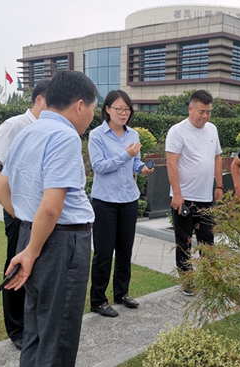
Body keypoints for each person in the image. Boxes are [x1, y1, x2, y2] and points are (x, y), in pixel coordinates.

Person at [0, 70, 97, 366]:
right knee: (59, 334)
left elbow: (1, 191)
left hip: (32, 235)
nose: (91, 117)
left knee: (37, 328)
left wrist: (30, 228)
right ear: (79, 105)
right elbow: (51, 207)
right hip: (60, 243)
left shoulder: (27, 131)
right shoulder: (65, 136)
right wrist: (35, 247)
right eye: (92, 108)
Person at [0, 79, 49, 350]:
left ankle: (33, 322)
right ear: (41, 99)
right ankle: (16, 329)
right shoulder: (16, 125)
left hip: (40, 212)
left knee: (38, 264)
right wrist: (11, 205)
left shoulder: (47, 128)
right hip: (20, 212)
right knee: (16, 266)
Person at [88, 90, 154, 318]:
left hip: (129, 200)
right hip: (105, 201)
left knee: (125, 251)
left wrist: (142, 167)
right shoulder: (97, 135)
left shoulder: (133, 134)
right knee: (104, 253)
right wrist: (125, 156)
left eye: (127, 109)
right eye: (119, 109)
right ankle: (98, 300)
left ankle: (122, 293)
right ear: (107, 109)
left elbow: (135, 163)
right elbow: (98, 166)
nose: (123, 113)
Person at [165, 89, 224, 295]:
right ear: (190, 109)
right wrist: (178, 194)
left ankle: (210, 277)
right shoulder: (177, 131)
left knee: (207, 239)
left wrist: (219, 186)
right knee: (184, 241)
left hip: (205, 196)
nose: (205, 116)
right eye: (201, 111)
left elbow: (217, 158)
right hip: (184, 197)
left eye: (208, 111)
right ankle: (187, 280)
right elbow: (171, 164)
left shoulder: (212, 130)